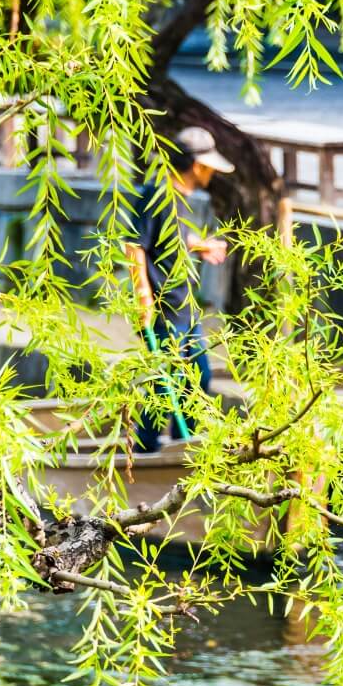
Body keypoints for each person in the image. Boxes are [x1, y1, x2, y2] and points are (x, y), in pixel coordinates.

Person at [127, 126, 234, 453]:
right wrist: (143, 297)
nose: (214, 173)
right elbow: (134, 246)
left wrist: (199, 245)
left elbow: (170, 237)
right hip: (162, 307)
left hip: (185, 306)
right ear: (198, 165)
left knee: (198, 376)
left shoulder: (182, 199)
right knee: (163, 385)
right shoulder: (155, 194)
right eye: (211, 166)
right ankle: (145, 453)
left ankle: (182, 448)